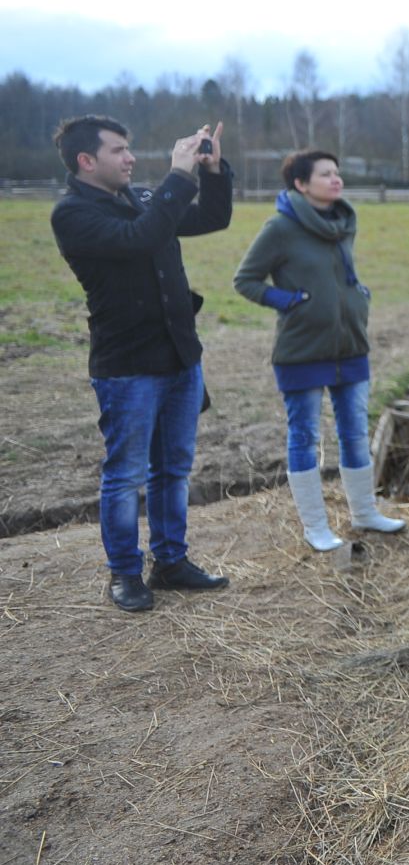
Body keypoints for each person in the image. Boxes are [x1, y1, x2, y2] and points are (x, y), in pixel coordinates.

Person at [50, 115, 234, 612]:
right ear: (87, 161)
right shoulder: (72, 215)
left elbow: (213, 218)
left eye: (129, 148)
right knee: (126, 475)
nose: (131, 158)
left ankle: (171, 562)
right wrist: (178, 176)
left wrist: (212, 172)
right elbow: (141, 240)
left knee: (173, 470)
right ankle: (125, 574)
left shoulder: (144, 199)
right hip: (128, 367)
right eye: (119, 150)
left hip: (179, 357)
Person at [233, 149, 405, 551]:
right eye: (326, 174)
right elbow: (246, 280)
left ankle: (365, 513)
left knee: (355, 434)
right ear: (300, 183)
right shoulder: (279, 228)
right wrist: (292, 301)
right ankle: (316, 529)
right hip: (303, 351)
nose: (336, 179)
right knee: (305, 436)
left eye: (337, 173)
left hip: (351, 346)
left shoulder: (342, 222)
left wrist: (358, 295)